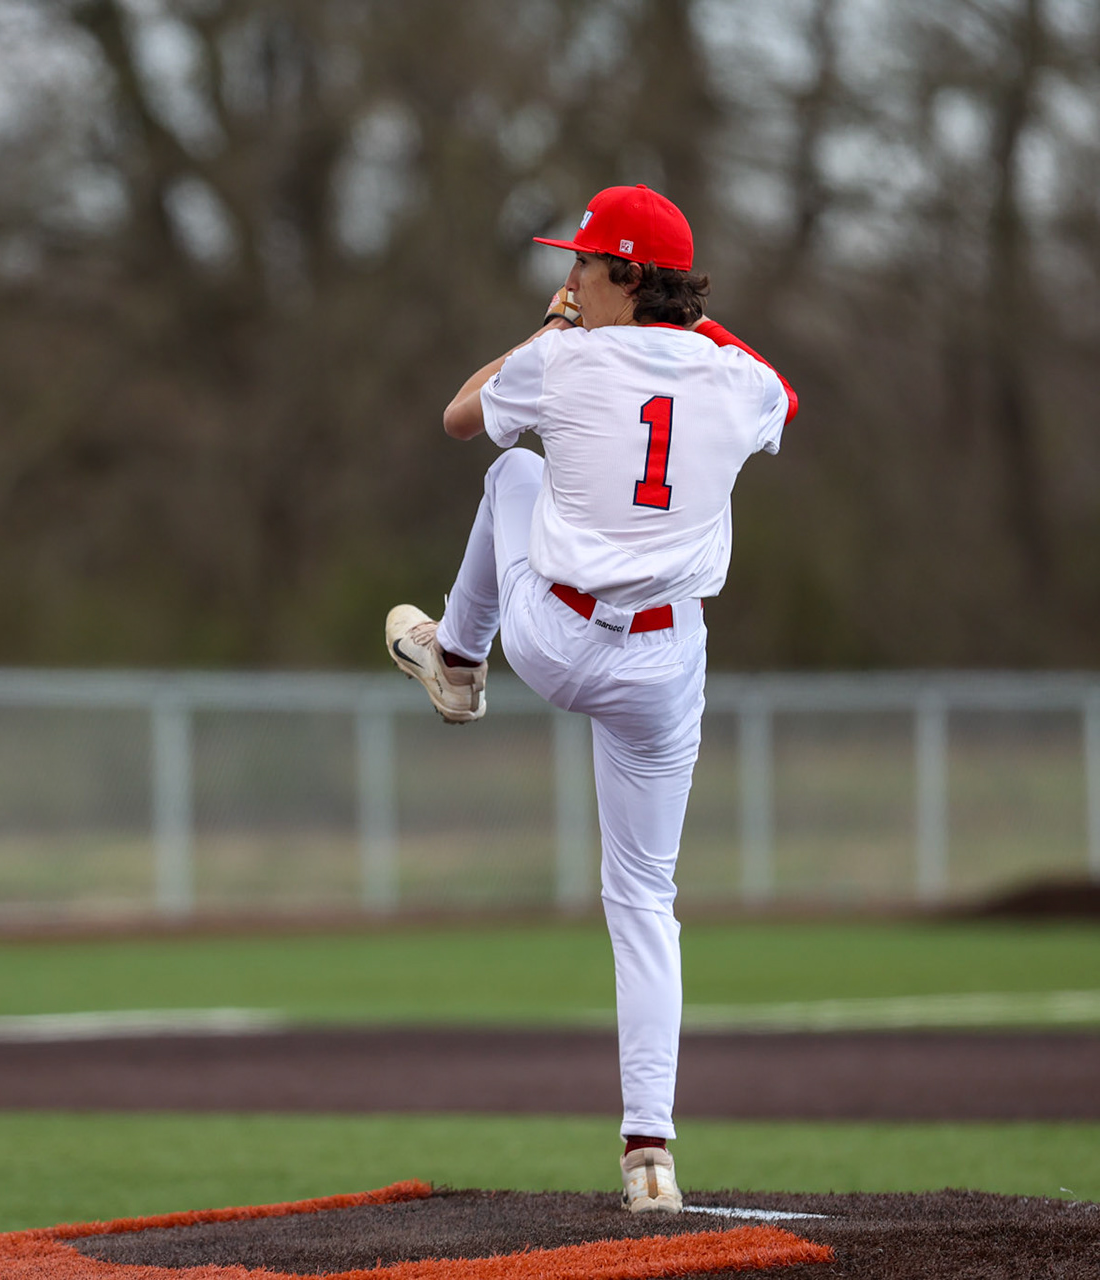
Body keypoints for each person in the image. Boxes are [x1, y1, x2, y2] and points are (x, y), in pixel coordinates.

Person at [385, 185, 798, 1212]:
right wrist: (688, 320)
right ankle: (649, 1151)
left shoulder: (561, 355)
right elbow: (784, 396)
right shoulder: (734, 376)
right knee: (645, 901)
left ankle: (459, 659)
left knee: (509, 479)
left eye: (582, 264)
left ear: (623, 275)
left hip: (558, 638)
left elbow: (458, 415)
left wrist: (550, 327)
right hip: (665, 663)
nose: (567, 278)